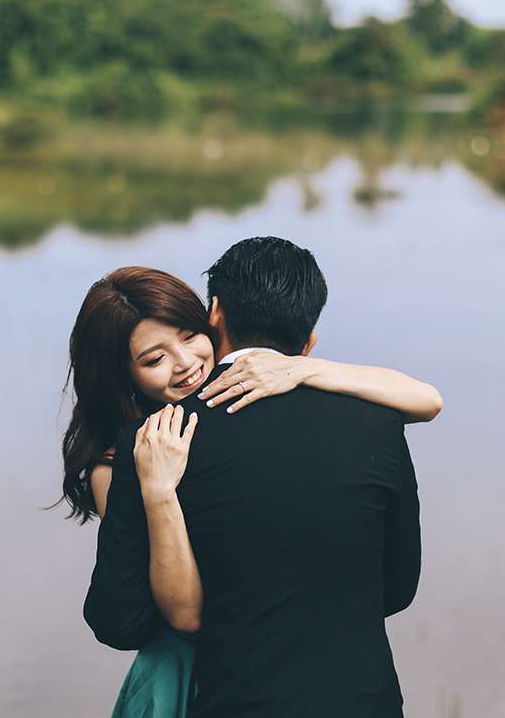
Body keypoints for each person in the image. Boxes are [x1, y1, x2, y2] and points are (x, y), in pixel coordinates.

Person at [79, 239, 431, 717]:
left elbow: (120, 622)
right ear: (310, 336)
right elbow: (396, 588)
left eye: (188, 335)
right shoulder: (380, 418)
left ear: (214, 314)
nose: (184, 363)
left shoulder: (147, 444)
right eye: (154, 358)